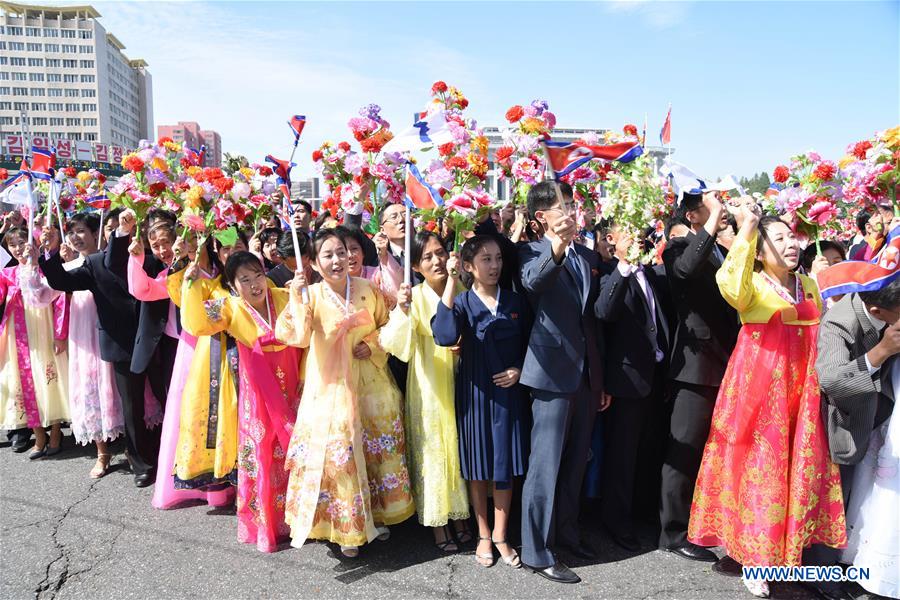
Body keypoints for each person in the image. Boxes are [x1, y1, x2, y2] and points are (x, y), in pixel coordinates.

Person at [688, 207, 846, 598]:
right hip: (760, 387)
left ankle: (790, 546)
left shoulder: (809, 284)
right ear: (759, 251)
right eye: (779, 239)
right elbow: (729, 283)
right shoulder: (751, 283)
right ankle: (755, 557)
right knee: (762, 468)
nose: (791, 243)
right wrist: (750, 227)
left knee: (799, 465)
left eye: (792, 236)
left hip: (803, 388)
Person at [277, 229, 414, 558]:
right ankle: (345, 528)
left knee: (374, 450)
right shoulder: (309, 295)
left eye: (342, 252)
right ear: (314, 262)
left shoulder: (369, 289)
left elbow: (388, 324)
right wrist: (295, 299)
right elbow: (292, 335)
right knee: (341, 458)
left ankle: (377, 515)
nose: (338, 260)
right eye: (328, 255)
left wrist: (374, 344)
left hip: (372, 384)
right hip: (330, 390)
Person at [181, 251, 302, 552]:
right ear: (234, 286)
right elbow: (196, 324)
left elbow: (306, 325)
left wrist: (301, 294)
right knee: (263, 449)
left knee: (296, 448)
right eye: (244, 280)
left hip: (293, 384)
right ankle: (269, 524)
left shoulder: (284, 297)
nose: (254, 284)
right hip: (259, 393)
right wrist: (192, 285)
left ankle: (301, 517)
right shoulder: (230, 307)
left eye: (257, 275)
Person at [518, 181, 605, 584]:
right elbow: (534, 283)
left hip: (586, 375)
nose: (571, 210)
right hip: (550, 373)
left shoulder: (587, 255)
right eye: (562, 206)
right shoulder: (528, 252)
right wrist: (554, 246)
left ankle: (568, 534)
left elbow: (593, 318)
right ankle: (537, 550)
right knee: (546, 465)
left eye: (572, 203)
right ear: (542, 218)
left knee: (576, 462)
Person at [432, 235, 532, 568]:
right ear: (469, 266)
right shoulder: (460, 303)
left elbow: (533, 344)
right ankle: (483, 534)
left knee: (504, 464)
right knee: (477, 465)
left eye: (498, 259)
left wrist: (519, 369)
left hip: (507, 394)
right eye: (486, 260)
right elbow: (444, 336)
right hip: (474, 393)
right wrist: (449, 280)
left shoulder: (516, 302)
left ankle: (502, 535)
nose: (494, 266)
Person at [658, 192, 741, 563]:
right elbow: (684, 270)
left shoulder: (722, 250)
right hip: (695, 368)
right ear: (694, 215)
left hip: (728, 361)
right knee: (685, 450)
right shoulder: (678, 247)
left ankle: (701, 523)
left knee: (712, 452)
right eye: (712, 206)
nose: (720, 212)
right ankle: (671, 533)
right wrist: (713, 221)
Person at [380, 230, 471, 552]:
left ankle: (461, 516)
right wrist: (402, 311)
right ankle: (439, 525)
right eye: (428, 257)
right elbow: (394, 345)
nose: (437, 261)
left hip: (461, 381)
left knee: (458, 450)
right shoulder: (414, 296)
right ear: (416, 265)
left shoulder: (461, 288)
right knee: (434, 452)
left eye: (440, 253)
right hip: (429, 385)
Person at [810, 280, 900, 600]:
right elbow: (831, 381)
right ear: (878, 312)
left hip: (875, 419)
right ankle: (820, 574)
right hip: (842, 426)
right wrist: (880, 352)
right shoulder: (840, 322)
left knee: (858, 498)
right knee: (836, 497)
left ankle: (850, 562)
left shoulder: (883, 311)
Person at [594, 223, 672, 550]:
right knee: (621, 458)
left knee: (648, 451)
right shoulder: (608, 273)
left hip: (655, 374)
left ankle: (643, 514)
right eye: (628, 233)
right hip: (625, 380)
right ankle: (617, 523)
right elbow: (604, 311)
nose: (636, 238)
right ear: (611, 240)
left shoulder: (651, 274)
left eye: (638, 233)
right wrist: (623, 268)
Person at [34, 214, 124, 477]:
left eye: (82, 231)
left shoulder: (113, 260)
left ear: (97, 233)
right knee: (91, 387)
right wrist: (46, 253)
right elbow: (41, 295)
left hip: (113, 330)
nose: (75, 237)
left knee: (122, 387)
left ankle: (133, 445)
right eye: (71, 232)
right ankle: (102, 452)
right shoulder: (69, 265)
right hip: (84, 334)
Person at [171, 234, 248, 497]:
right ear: (218, 252)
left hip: (256, 360)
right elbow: (204, 322)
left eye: (239, 246)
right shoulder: (213, 287)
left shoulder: (264, 281)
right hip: (222, 360)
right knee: (227, 415)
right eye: (226, 248)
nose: (233, 252)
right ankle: (233, 480)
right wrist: (189, 282)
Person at [0, 227, 69, 458]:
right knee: (23, 381)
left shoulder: (46, 268)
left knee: (48, 378)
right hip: (18, 335)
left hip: (44, 328)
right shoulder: (8, 274)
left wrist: (60, 334)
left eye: (22, 242)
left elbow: (60, 303)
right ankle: (39, 434)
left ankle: (56, 432)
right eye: (13, 245)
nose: (19, 248)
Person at [336, 225, 402, 309]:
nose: (350, 255)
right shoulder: (332, 283)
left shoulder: (377, 275)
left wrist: (384, 255)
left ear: (363, 252)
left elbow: (394, 294)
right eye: (342, 251)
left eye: (354, 248)